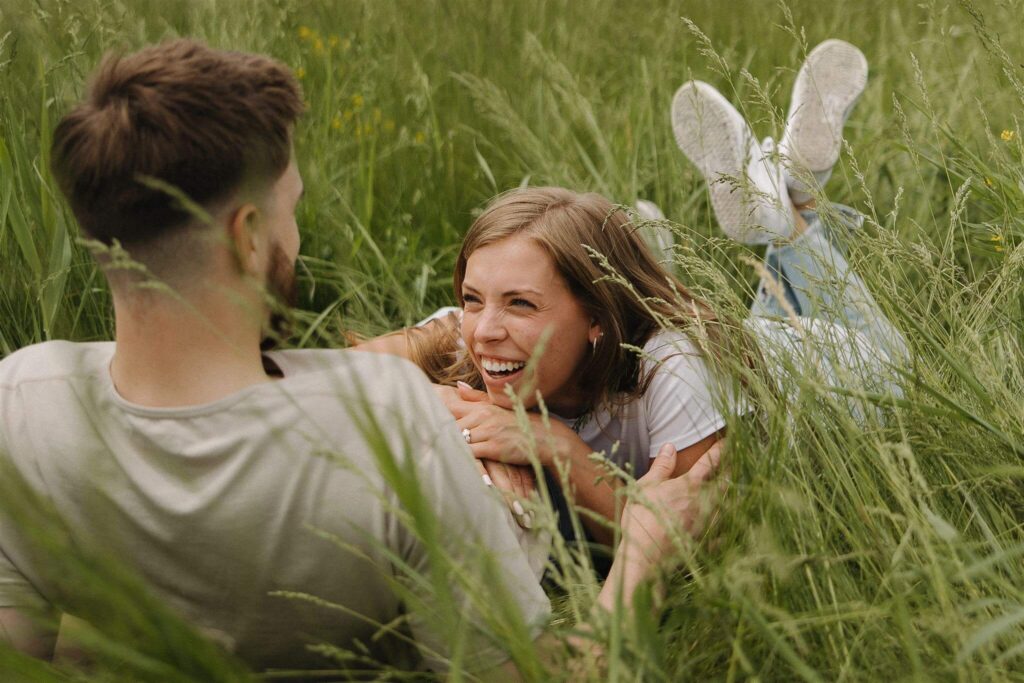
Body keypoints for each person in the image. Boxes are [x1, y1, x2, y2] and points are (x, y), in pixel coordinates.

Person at [0, 39, 722, 677]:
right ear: (248, 235)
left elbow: (26, 650)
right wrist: (643, 551)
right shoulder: (387, 415)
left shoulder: (20, 396)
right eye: (291, 209)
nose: (298, 237)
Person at [359, 39, 907, 546]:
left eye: (520, 302)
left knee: (897, 358)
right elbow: (311, 374)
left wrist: (557, 447)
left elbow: (700, 542)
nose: (483, 329)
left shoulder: (672, 369)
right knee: (730, 323)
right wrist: (439, 400)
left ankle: (789, 214)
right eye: (474, 297)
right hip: (744, 349)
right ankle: (775, 195)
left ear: (597, 316)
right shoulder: (479, 335)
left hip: (839, 370)